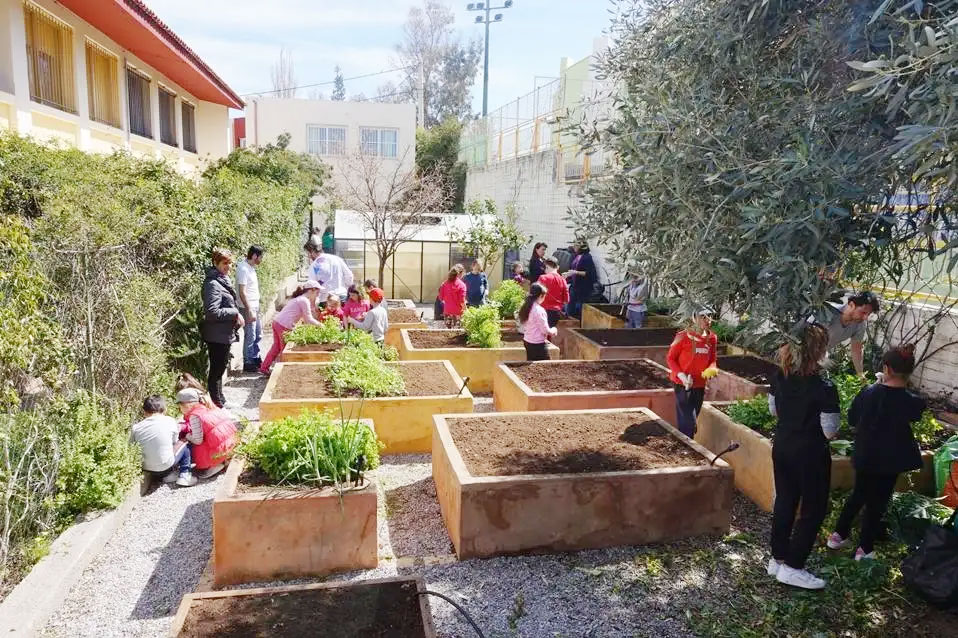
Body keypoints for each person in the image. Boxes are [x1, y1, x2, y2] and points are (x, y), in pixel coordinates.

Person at [826, 344, 925, 561]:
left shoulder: (869, 393)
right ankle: (864, 548)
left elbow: (852, 418)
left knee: (858, 494)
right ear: (909, 372)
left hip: (866, 456)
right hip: (891, 461)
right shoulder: (912, 401)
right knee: (878, 502)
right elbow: (916, 411)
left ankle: (838, 535)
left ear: (886, 368)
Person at [766, 322, 840, 590]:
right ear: (818, 350)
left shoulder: (779, 376)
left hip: (782, 446)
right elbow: (830, 431)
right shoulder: (824, 386)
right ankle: (794, 566)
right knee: (812, 509)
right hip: (810, 454)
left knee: (785, 500)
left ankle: (778, 558)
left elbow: (773, 411)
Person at [666, 308, 718, 438]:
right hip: (682, 384)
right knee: (687, 420)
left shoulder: (712, 338)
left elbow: (712, 359)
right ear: (694, 318)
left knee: (693, 418)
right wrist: (682, 377)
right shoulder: (682, 336)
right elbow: (670, 358)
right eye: (703, 316)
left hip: (699, 385)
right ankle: (686, 447)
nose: (708, 320)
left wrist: (712, 368)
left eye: (710, 316)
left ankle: (685, 440)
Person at [201, 248, 244, 408]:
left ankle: (220, 401)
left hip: (223, 333)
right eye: (224, 263)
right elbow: (212, 312)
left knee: (219, 369)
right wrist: (234, 313)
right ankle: (217, 404)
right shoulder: (212, 284)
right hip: (216, 335)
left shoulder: (221, 279)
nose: (228, 266)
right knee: (216, 371)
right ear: (215, 263)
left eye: (230, 263)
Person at [259, 280, 324, 374]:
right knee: (285, 350)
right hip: (284, 325)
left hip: (277, 322)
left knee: (276, 347)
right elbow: (308, 319)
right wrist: (320, 325)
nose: (318, 295)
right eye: (317, 292)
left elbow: (305, 318)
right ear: (311, 290)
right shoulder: (304, 300)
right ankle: (280, 373)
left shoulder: (300, 298)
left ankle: (264, 367)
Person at [130, 395, 196, 487]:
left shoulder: (136, 428)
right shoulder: (170, 421)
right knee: (184, 442)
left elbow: (131, 447)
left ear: (144, 411)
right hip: (166, 464)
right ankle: (185, 475)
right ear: (164, 409)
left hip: (146, 468)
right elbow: (174, 441)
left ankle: (167, 476)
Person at [176, 388, 237, 479]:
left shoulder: (195, 416)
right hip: (230, 445)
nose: (179, 409)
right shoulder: (209, 406)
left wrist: (187, 436)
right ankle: (222, 460)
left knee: (191, 445)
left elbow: (198, 440)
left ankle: (214, 465)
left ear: (186, 405)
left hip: (218, 452)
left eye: (179, 406)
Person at [821, 291, 880, 376]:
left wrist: (860, 374)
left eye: (868, 314)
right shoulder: (827, 313)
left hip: (818, 357)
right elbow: (807, 338)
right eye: (863, 312)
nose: (866, 317)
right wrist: (819, 358)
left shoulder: (860, 324)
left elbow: (856, 350)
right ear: (851, 305)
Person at [236, 245, 265, 373]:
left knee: (258, 334)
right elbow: (242, 292)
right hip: (247, 307)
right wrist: (249, 309)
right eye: (261, 257)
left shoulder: (251, 268)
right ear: (254, 256)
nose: (262, 259)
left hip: (255, 305)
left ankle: (255, 357)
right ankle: (248, 362)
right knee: (250, 334)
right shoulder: (243, 269)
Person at [517, 284, 557, 361]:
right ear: (540, 296)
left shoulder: (526, 307)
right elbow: (545, 330)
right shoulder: (539, 310)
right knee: (547, 367)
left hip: (527, 341)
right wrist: (554, 330)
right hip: (537, 344)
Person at [564, 242, 598, 319]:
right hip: (574, 284)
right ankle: (570, 319)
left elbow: (588, 273)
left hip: (583, 286)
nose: (574, 247)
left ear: (581, 247)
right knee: (570, 305)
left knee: (580, 306)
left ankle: (578, 322)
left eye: (576, 245)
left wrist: (576, 272)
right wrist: (568, 275)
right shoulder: (576, 256)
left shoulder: (587, 257)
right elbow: (573, 268)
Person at [536, 258, 570, 328]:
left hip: (543, 309)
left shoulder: (543, 278)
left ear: (547, 266)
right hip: (556, 311)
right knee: (550, 333)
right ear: (557, 267)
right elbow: (566, 299)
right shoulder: (563, 280)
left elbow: (536, 294)